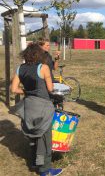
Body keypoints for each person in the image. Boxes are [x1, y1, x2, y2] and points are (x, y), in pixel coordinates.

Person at [10, 43, 63, 176]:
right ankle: (45, 170)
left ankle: (34, 162)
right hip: (43, 107)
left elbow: (13, 89)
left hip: (29, 107)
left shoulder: (20, 68)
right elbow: (50, 89)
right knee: (45, 139)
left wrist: (27, 91)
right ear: (38, 55)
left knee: (33, 137)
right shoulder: (43, 67)